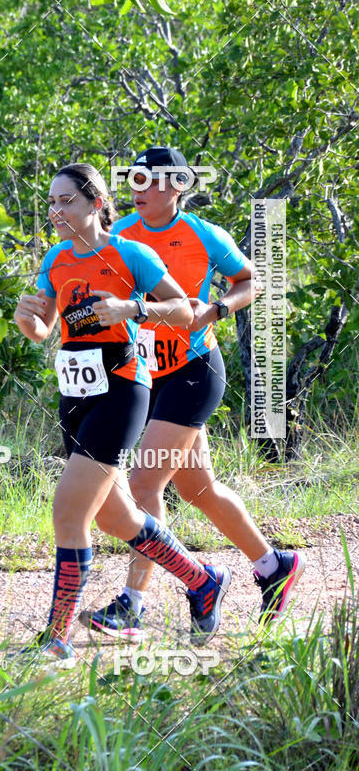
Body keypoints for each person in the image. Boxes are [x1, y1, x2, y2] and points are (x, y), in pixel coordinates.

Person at [81, 146, 305, 643]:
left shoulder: (204, 235)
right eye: (133, 179)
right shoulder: (122, 235)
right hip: (146, 373)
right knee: (198, 490)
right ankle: (273, 566)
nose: (137, 188)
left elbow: (250, 280)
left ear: (178, 185)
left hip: (194, 371)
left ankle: (134, 604)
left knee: (143, 484)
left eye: (149, 180)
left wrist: (219, 309)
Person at [13, 162, 231, 666]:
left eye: (66, 201)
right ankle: (203, 581)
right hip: (75, 392)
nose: (56, 211)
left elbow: (185, 310)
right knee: (117, 517)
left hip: (122, 388)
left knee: (69, 512)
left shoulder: (130, 253)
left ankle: (57, 640)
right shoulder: (55, 258)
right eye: (51, 203)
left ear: (95, 203)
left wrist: (133, 309)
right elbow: (45, 329)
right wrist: (28, 322)